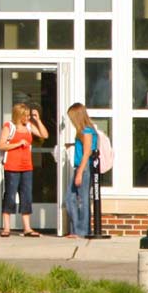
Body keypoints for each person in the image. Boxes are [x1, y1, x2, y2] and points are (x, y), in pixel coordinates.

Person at [0, 102, 48, 238]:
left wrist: (38, 120)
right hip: (12, 166)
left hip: (27, 166)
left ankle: (27, 227)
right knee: (10, 195)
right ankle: (6, 227)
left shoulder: (29, 126)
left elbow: (44, 135)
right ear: (18, 115)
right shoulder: (9, 127)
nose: (27, 118)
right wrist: (18, 144)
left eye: (28, 115)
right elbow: (1, 145)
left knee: (26, 195)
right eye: (25, 115)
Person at [65, 102, 99, 239]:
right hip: (81, 168)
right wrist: (72, 144)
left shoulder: (86, 131)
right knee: (71, 198)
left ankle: (81, 231)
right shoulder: (85, 131)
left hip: (83, 168)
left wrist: (79, 172)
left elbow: (87, 152)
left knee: (82, 199)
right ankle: (76, 229)